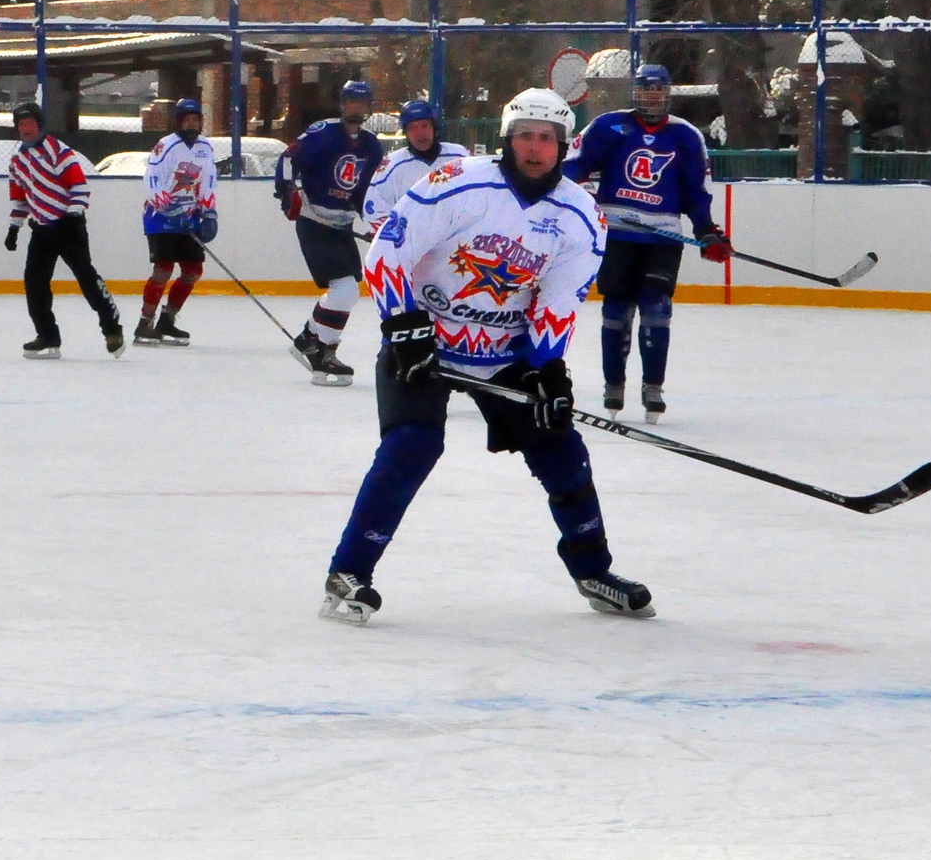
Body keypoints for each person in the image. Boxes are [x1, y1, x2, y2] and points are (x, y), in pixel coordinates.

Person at [320, 88, 655, 627]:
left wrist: (547, 369)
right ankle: (349, 570)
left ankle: (593, 571)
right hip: (425, 337)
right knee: (413, 444)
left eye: (547, 139)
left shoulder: (581, 217)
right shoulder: (459, 184)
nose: (536, 148)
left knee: (563, 453)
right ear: (506, 140)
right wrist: (403, 324)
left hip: (503, 354)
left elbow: (558, 302)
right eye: (525, 135)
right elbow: (388, 250)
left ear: (563, 146)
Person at [563, 62, 727, 420]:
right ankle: (614, 386)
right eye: (646, 88)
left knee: (657, 309)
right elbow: (576, 164)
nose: (652, 95)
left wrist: (706, 230)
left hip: (662, 241)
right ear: (635, 92)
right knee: (616, 311)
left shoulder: (686, 136)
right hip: (617, 235)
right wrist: (552, 189)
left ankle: (653, 386)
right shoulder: (608, 126)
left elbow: (696, 190)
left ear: (667, 93)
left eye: (659, 89)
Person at [275, 78, 385, 386]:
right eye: (352, 102)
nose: (356, 108)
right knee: (344, 289)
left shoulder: (371, 145)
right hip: (314, 219)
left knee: (349, 290)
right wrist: (288, 191)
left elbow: (367, 192)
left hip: (341, 223)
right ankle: (318, 347)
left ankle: (312, 342)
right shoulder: (323, 132)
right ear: (342, 104)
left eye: (362, 103)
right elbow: (288, 159)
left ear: (368, 107)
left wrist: (378, 224)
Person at [4, 101, 124, 360]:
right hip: (42, 231)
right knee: (34, 283)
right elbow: (20, 198)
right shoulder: (17, 161)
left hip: (69, 227)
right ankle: (47, 335)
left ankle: (112, 327)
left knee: (85, 278)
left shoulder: (59, 151)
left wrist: (73, 214)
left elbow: (79, 187)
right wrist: (14, 227)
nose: (26, 129)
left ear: (40, 125)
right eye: (21, 125)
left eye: (30, 124)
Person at [136, 97, 215, 345]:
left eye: (196, 120)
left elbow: (208, 181)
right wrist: (167, 206)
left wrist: (209, 212)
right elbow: (152, 179)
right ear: (178, 122)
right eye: (186, 120)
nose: (191, 124)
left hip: (189, 217)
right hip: (160, 217)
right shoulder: (166, 146)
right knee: (163, 269)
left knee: (192, 271)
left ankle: (167, 320)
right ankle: (144, 324)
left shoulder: (206, 147)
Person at [361, 99, 469, 232]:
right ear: (405, 132)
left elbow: (477, 199)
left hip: (453, 244)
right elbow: (375, 210)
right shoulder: (391, 166)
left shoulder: (460, 157)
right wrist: (398, 237)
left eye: (424, 126)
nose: (420, 133)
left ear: (434, 128)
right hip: (411, 248)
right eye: (412, 128)